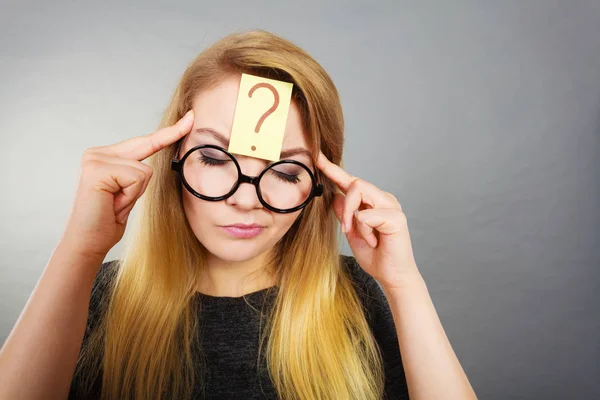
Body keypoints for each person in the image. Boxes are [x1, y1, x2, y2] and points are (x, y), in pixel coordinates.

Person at [0, 30, 477, 399]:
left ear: (320, 184)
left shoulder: (354, 298)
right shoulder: (100, 296)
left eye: (286, 172)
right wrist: (79, 252)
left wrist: (404, 284)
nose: (246, 200)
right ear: (172, 156)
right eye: (212, 159)